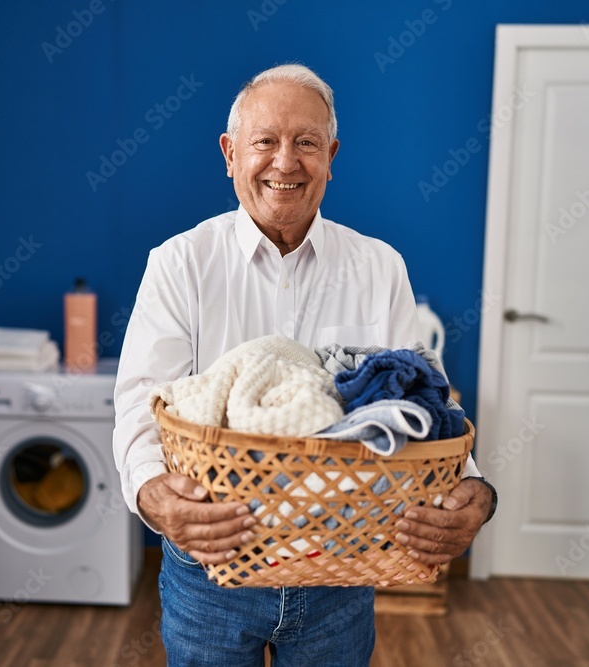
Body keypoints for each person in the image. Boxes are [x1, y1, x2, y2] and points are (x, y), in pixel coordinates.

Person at [113, 63, 495, 666]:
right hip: (212, 564)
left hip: (339, 571)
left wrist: (470, 483)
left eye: (306, 143)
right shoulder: (179, 263)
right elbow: (140, 400)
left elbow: (418, 402)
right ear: (230, 152)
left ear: (331, 155)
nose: (285, 162)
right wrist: (151, 493)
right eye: (264, 141)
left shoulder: (379, 266)